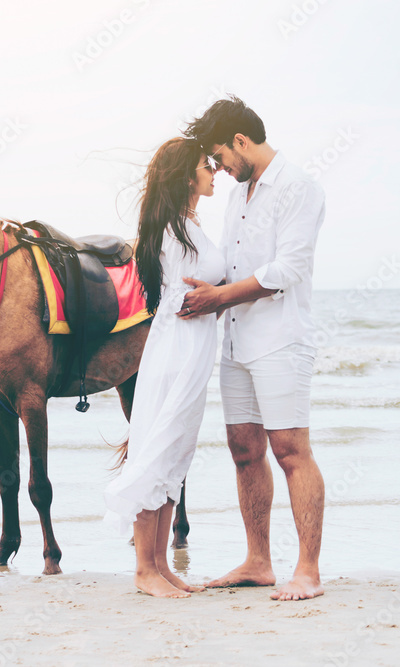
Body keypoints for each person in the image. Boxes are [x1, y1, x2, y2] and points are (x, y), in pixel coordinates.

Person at [179, 96, 326, 601]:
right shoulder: (240, 195)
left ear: (242, 140)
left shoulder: (298, 186)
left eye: (220, 155)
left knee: (290, 451)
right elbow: (238, 268)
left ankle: (307, 571)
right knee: (244, 451)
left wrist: (219, 296)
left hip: (281, 340)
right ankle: (258, 562)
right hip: (237, 340)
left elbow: (288, 270)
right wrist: (204, 295)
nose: (218, 167)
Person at [103, 137, 225, 598]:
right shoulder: (174, 228)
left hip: (190, 350)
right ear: (186, 176)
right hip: (177, 350)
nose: (213, 172)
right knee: (158, 450)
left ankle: (160, 565)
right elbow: (181, 293)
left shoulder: (186, 224)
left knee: (175, 454)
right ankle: (144, 570)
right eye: (205, 165)